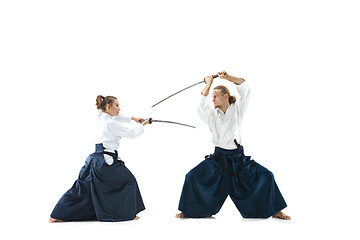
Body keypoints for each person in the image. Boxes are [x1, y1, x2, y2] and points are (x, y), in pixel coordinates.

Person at [176, 71, 290, 220]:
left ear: (225, 96)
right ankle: (188, 211)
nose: (213, 99)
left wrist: (227, 77)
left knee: (267, 175)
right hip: (218, 160)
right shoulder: (212, 115)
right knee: (191, 176)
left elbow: (246, 89)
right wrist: (208, 85)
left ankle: (275, 210)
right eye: (212, 97)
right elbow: (201, 107)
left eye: (215, 96)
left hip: (238, 160)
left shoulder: (238, 109)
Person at [49, 95, 150, 222]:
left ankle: (57, 214)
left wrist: (134, 118)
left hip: (96, 160)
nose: (120, 108)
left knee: (84, 188)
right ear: (109, 106)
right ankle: (127, 213)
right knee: (128, 181)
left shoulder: (102, 116)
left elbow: (117, 116)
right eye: (117, 105)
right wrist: (143, 125)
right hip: (106, 162)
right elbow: (131, 133)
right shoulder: (111, 123)